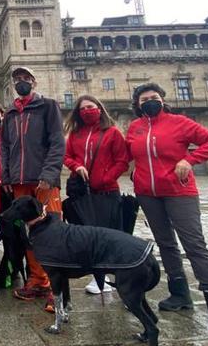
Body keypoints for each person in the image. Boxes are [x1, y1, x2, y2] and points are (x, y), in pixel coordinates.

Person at [126, 83, 208, 340]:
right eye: (144, 99)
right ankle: (179, 293)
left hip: (180, 192)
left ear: (163, 100)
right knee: (166, 243)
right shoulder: (135, 127)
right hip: (147, 193)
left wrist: (189, 160)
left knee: (195, 246)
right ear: (137, 104)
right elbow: (127, 153)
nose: (149, 101)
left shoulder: (179, 123)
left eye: (154, 97)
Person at [0, 66, 65, 312]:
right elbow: (5, 147)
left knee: (52, 232)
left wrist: (49, 175)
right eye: (17, 79)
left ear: (34, 82)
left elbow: (57, 142)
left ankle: (56, 289)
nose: (21, 82)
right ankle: (38, 280)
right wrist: (6, 175)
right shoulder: (9, 113)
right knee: (30, 235)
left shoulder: (48, 106)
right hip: (19, 181)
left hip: (43, 181)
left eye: (25, 78)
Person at [63, 95, 130, 294]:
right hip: (84, 192)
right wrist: (77, 166)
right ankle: (99, 277)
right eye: (82, 109)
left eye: (90, 107)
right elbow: (67, 157)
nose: (86, 111)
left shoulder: (113, 132)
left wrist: (106, 179)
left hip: (108, 191)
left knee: (112, 235)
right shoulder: (75, 134)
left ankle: (125, 279)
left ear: (99, 109)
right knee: (90, 235)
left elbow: (122, 161)